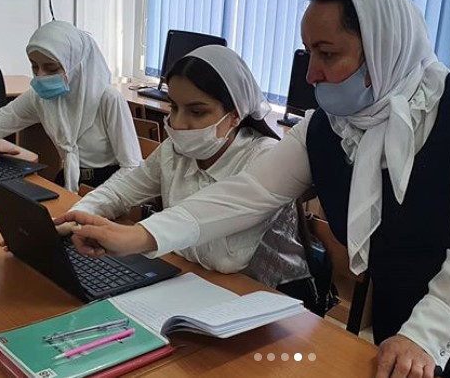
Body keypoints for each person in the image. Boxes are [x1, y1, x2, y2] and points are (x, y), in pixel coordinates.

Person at [59, 0, 450, 378]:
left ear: (383, 48)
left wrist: (425, 334)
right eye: (308, 53)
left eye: (327, 54)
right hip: (403, 286)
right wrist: (141, 236)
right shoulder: (325, 128)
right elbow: (246, 195)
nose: (311, 74)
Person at [62, 45, 314, 301]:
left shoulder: (263, 157)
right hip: (195, 284)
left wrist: (138, 236)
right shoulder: (175, 150)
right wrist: (76, 217)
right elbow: (121, 191)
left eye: (197, 111)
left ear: (235, 115)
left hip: (264, 295)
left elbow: (223, 259)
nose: (178, 123)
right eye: (174, 107)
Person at [0, 20, 141, 192]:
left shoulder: (108, 98)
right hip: (68, 180)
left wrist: (93, 201)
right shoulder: (40, 98)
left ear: (75, 65)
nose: (40, 76)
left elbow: (132, 167)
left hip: (109, 187)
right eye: (34, 66)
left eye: (51, 68)